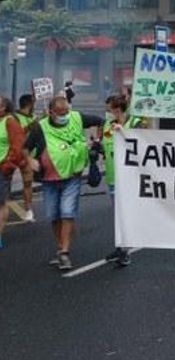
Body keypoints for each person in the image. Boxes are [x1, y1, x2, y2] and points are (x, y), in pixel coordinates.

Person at [24, 96, 104, 270]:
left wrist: (97, 141)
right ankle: (61, 247)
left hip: (72, 177)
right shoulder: (41, 127)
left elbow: (101, 122)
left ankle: (65, 252)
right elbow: (25, 148)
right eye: (61, 113)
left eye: (66, 111)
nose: (65, 115)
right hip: (49, 179)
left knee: (67, 212)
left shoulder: (76, 117)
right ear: (51, 112)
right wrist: (30, 161)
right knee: (54, 215)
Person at [102, 95, 146, 267]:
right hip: (113, 176)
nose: (106, 113)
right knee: (118, 217)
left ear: (117, 109)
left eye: (108, 109)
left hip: (130, 177)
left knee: (124, 215)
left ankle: (125, 251)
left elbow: (144, 143)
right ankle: (121, 248)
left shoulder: (135, 122)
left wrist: (125, 133)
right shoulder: (107, 124)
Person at [0, 97, 24, 249]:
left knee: (0, 203)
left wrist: (7, 166)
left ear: (4, 108)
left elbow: (18, 147)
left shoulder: (10, 122)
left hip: (1, 168)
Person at [15, 93, 36, 222]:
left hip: (27, 154)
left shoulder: (33, 117)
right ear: (29, 104)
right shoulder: (14, 117)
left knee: (28, 183)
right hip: (13, 154)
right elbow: (19, 132)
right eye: (33, 103)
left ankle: (28, 209)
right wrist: (34, 124)